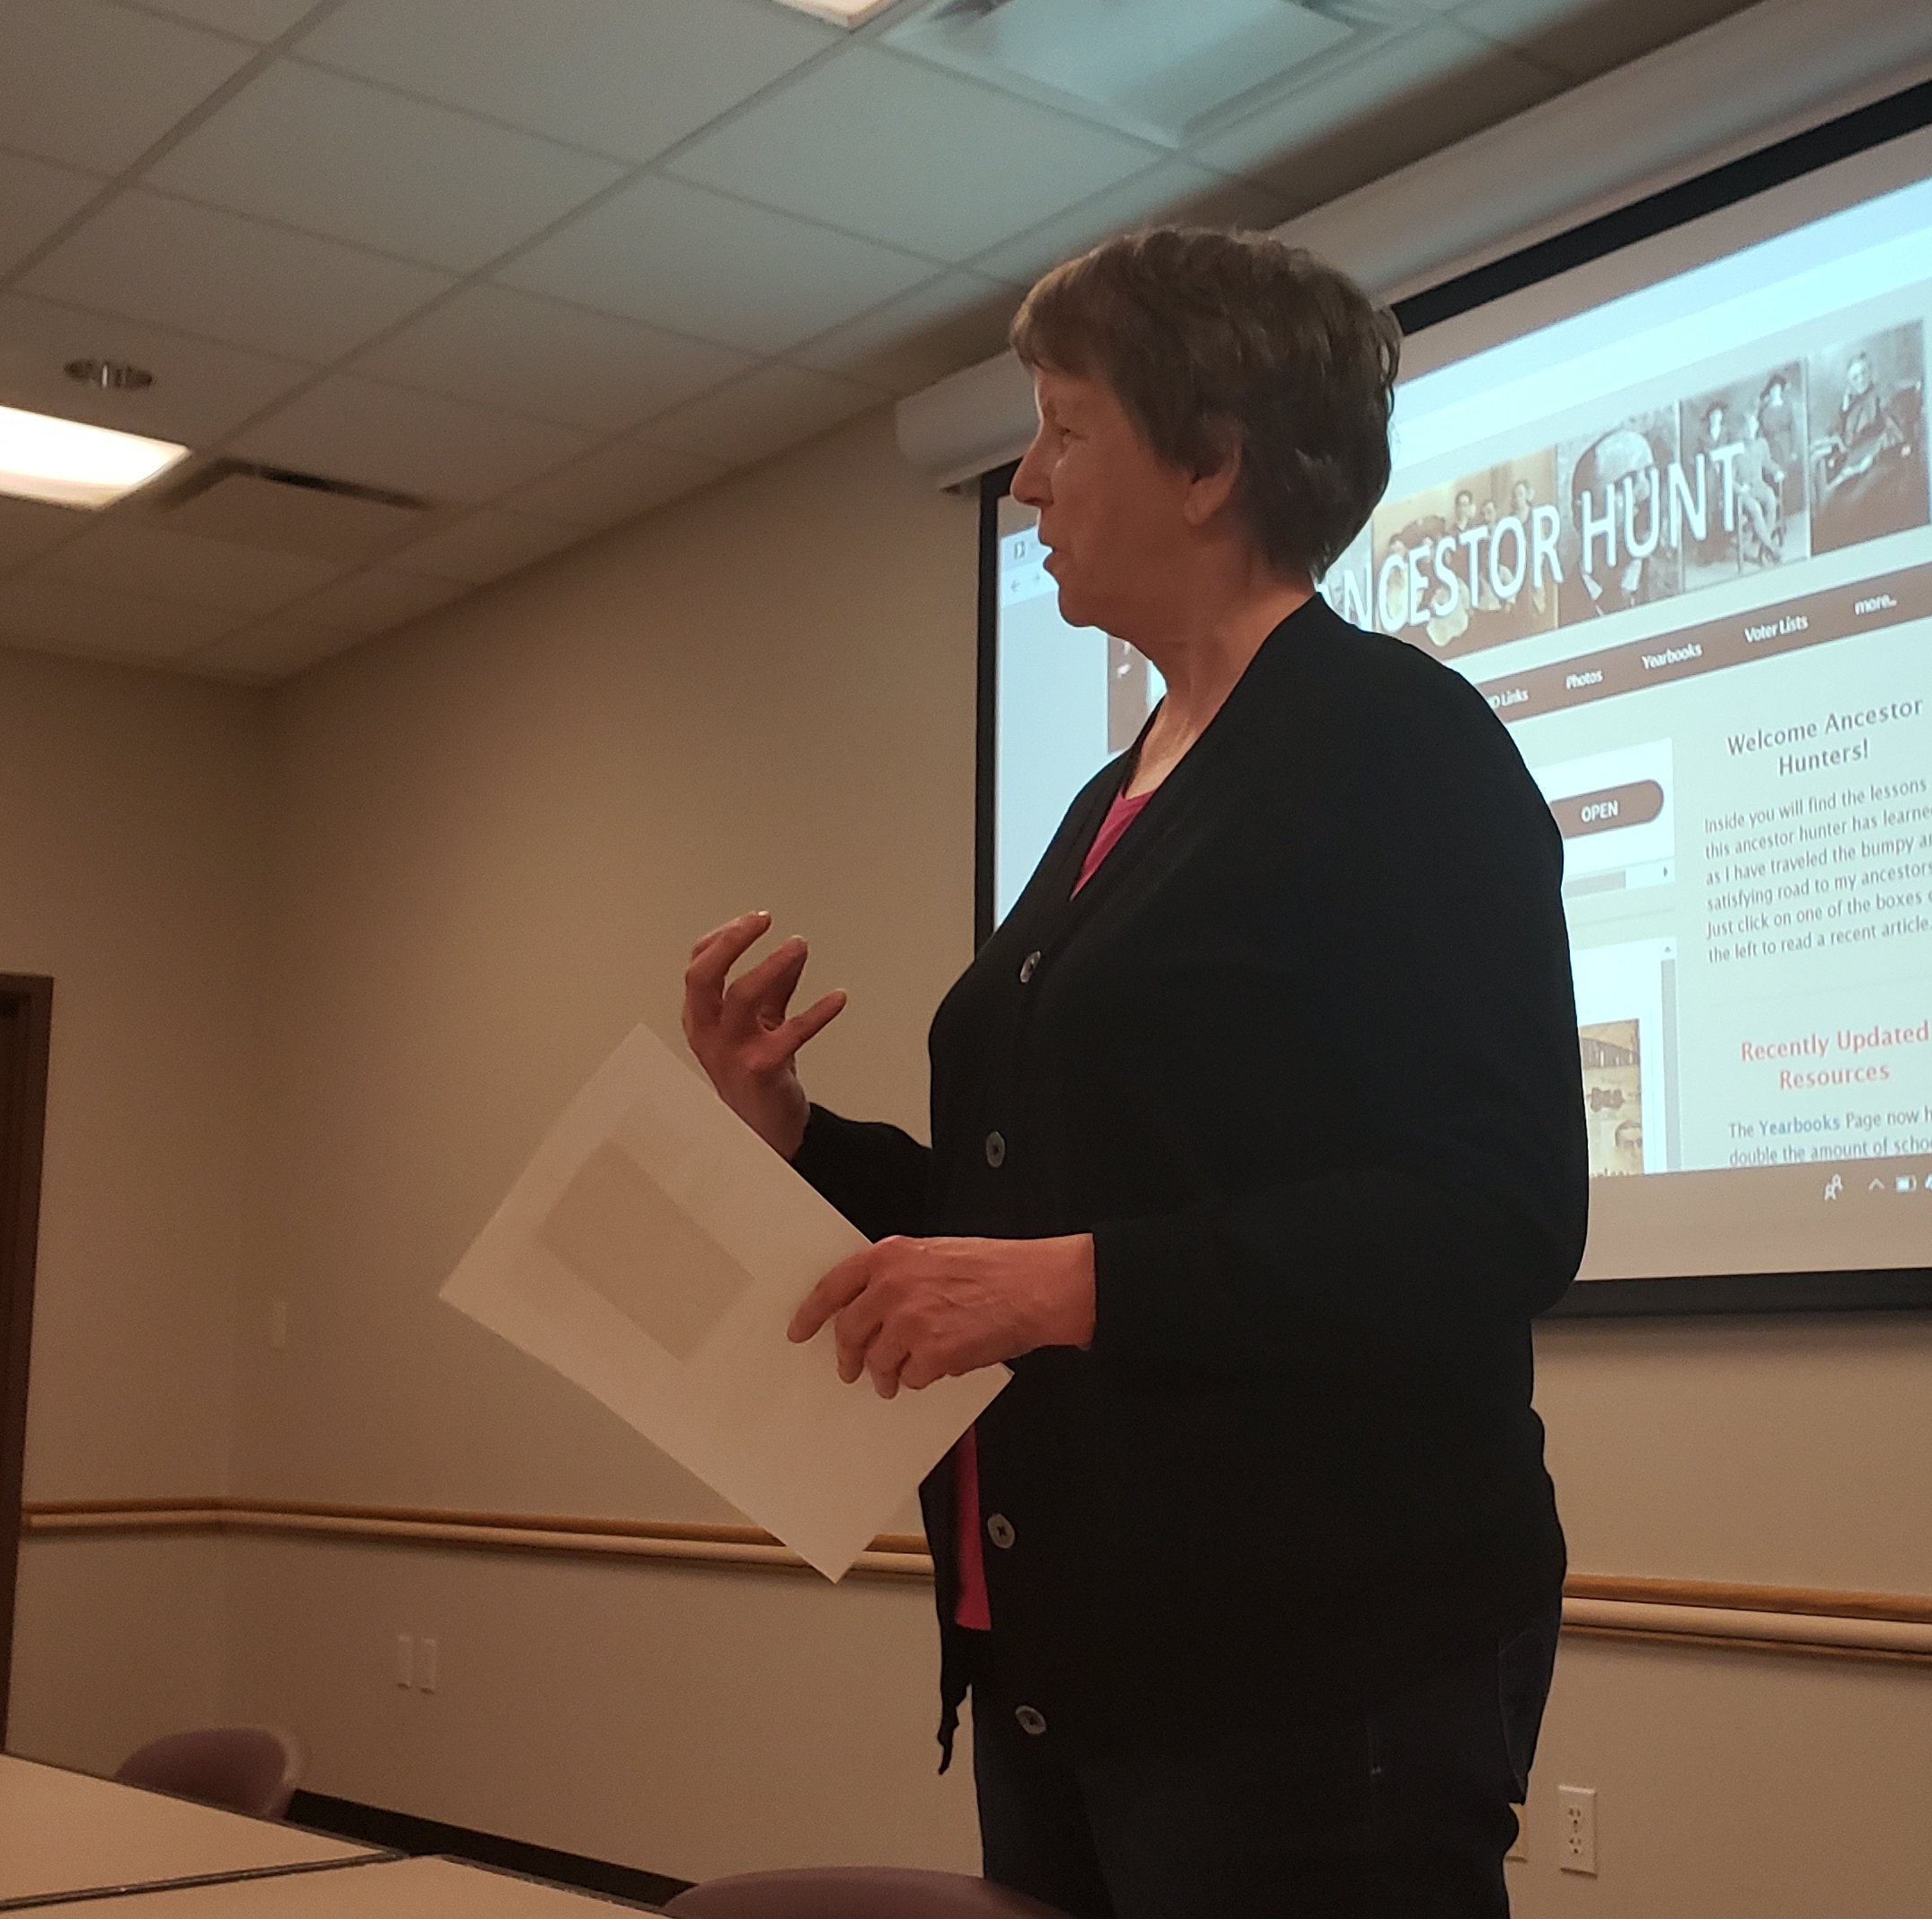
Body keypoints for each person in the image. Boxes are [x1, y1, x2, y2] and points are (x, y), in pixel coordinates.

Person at [679, 225, 1586, 1919]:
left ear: (1211, 462)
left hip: (1303, 1670)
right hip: (1064, 1649)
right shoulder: (1112, 797)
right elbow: (1022, 1217)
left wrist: (1068, 1286)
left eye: (1064, 428)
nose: (1025, 480)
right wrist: (795, 1135)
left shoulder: (1395, 740)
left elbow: (1496, 1213)